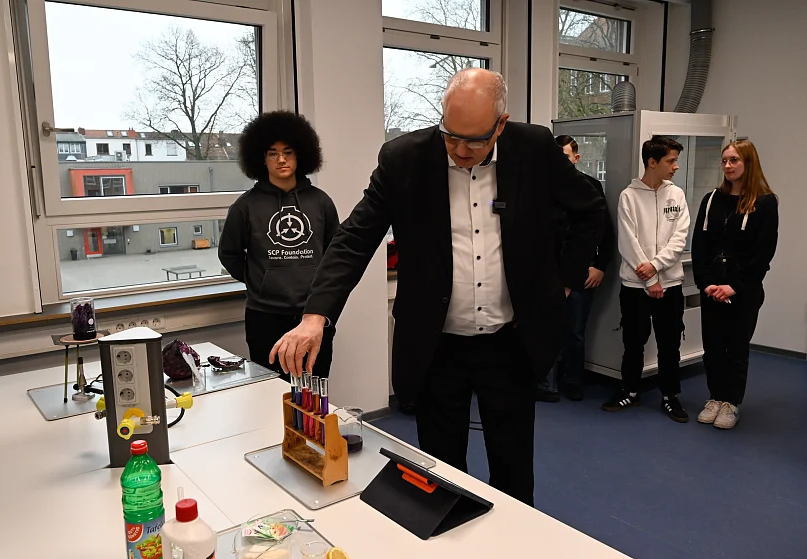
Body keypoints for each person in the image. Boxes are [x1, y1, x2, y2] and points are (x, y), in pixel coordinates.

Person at [268, 69, 606, 506]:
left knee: (513, 464)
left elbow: (590, 210)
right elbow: (355, 237)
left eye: (476, 140)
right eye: (451, 136)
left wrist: (562, 281)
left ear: (500, 125)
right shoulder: (404, 157)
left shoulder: (534, 147)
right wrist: (316, 315)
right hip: (436, 344)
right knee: (441, 472)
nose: (461, 150)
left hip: (511, 341)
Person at [218, 110, 340, 382]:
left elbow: (336, 256)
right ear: (262, 158)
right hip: (265, 316)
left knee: (314, 389)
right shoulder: (245, 206)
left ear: (301, 155)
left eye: (288, 151)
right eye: (272, 153)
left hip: (313, 314)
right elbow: (229, 254)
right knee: (270, 392)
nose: (281, 159)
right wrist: (258, 280)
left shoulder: (321, 202)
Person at [603, 136, 690, 422]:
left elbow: (679, 238)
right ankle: (629, 390)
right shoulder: (629, 196)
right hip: (635, 285)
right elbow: (627, 241)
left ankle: (670, 395)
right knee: (634, 341)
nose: (676, 166)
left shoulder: (676, 195)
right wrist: (648, 278)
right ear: (652, 162)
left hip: (670, 284)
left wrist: (655, 267)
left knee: (669, 343)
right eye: (671, 161)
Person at [692, 140, 778, 429]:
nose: (727, 166)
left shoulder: (765, 203)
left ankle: (731, 403)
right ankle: (715, 397)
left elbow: (763, 254)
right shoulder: (712, 200)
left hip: (743, 289)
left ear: (748, 164)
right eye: (724, 160)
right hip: (711, 285)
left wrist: (736, 287)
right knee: (712, 347)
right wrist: (705, 283)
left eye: (734, 161)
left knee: (736, 348)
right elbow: (699, 245)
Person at [537, 135, 615, 402]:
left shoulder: (590, 187)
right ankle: (546, 384)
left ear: (577, 158)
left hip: (583, 272)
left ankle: (573, 380)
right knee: (544, 329)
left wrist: (600, 266)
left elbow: (604, 231)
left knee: (575, 331)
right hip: (547, 272)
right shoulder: (539, 188)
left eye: (566, 158)